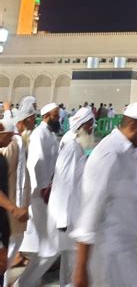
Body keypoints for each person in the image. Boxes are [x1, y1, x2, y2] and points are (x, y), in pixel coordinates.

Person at [72, 102, 137, 287]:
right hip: (108, 256)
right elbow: (89, 214)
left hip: (129, 250)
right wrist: (81, 269)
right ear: (133, 126)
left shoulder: (131, 154)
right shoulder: (109, 155)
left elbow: (136, 204)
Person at [46, 107, 95, 287]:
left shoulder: (77, 146)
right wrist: (63, 218)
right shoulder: (72, 148)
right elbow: (64, 183)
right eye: (90, 125)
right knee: (68, 257)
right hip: (67, 214)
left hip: (73, 210)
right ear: (82, 125)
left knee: (69, 257)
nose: (92, 128)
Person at [17, 103, 60, 287]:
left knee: (46, 240)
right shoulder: (39, 134)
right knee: (48, 243)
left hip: (49, 190)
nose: (59, 119)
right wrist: (44, 188)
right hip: (40, 193)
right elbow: (37, 162)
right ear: (46, 117)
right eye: (55, 116)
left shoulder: (50, 134)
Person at [2, 106, 34, 286]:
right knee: (10, 244)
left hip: (14, 202)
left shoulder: (16, 141)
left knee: (13, 243)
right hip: (10, 204)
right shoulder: (14, 143)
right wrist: (14, 206)